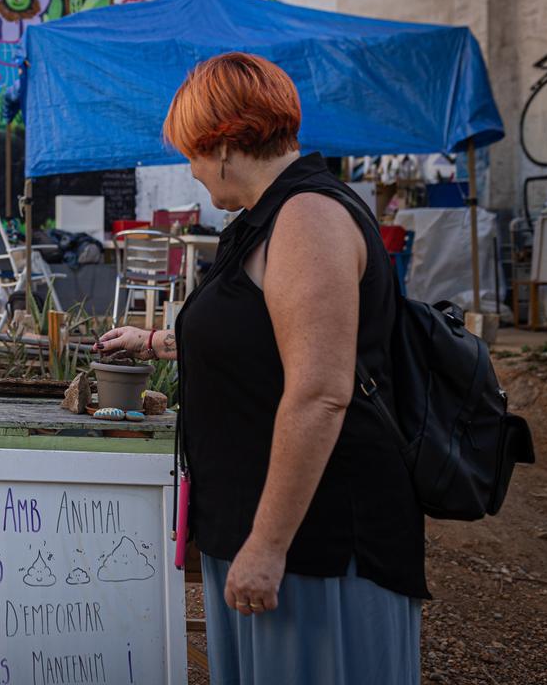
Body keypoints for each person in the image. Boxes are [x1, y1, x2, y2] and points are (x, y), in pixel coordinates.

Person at [97, 52, 426, 685]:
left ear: (221, 145)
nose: (190, 173)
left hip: (316, 544)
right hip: (268, 533)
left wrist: (268, 545)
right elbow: (259, 336)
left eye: (191, 154)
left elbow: (320, 393)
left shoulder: (308, 217)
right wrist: (158, 339)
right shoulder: (263, 219)